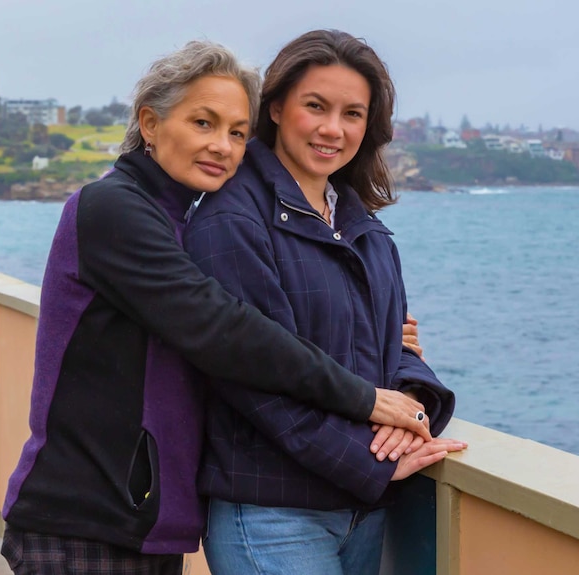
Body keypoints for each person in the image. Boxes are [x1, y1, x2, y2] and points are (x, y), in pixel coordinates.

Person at [0, 40, 433, 575]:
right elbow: (225, 330)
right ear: (150, 123)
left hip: (148, 516)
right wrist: (367, 399)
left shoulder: (182, 216)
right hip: (85, 514)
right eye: (202, 123)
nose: (223, 147)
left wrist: (398, 373)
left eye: (235, 131)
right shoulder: (114, 209)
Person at [183, 30, 464, 575]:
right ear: (277, 107)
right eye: (316, 106)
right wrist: (372, 462)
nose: (333, 129)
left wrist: (411, 405)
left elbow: (395, 346)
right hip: (273, 516)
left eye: (353, 113)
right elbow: (247, 376)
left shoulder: (362, 226)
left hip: (362, 513)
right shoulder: (234, 218)